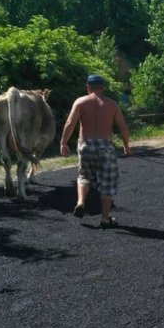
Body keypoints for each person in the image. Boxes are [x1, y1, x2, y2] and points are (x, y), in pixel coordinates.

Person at [60, 74, 132, 228]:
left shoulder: (80, 102)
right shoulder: (112, 104)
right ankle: (105, 219)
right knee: (107, 183)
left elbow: (70, 123)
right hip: (105, 146)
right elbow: (122, 127)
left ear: (88, 87)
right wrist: (126, 145)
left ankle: (80, 202)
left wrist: (63, 142)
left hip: (85, 145)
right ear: (103, 88)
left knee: (84, 176)